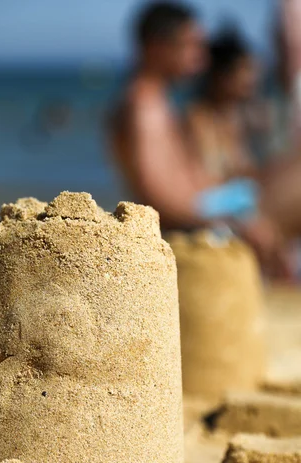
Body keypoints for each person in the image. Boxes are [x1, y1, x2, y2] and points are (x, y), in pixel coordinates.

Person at [108, 1, 301, 272]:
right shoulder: (143, 108)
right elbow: (158, 199)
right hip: (196, 226)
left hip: (209, 211)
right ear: (156, 46)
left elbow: (185, 181)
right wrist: (233, 222)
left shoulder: (155, 102)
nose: (199, 56)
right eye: (189, 45)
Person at [185, 30, 261, 182]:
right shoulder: (199, 119)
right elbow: (212, 176)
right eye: (245, 69)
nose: (253, 78)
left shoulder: (232, 116)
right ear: (221, 76)